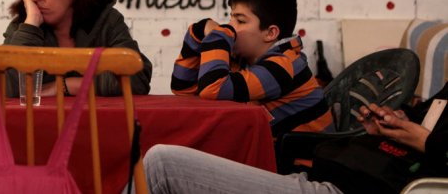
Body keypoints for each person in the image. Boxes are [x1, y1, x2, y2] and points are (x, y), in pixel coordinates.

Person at [144, 82, 448, 194]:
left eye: (239, 20)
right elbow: (426, 119)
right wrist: (394, 125)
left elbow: (213, 87)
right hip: (341, 172)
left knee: (162, 163)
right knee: (155, 160)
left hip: (355, 186)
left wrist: (422, 140)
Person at [171, 0, 333, 136]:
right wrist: (199, 31)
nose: (229, 27)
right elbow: (184, 90)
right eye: (230, 18)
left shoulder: (283, 66)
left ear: (270, 33)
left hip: (298, 162)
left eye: (240, 20)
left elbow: (213, 88)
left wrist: (219, 35)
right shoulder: (245, 60)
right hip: (267, 155)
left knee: (163, 156)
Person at [3, 0, 152, 96]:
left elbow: (136, 79)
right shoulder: (23, 28)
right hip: (42, 121)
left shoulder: (106, 20)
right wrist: (31, 25)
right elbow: (7, 89)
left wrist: (65, 85)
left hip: (98, 120)